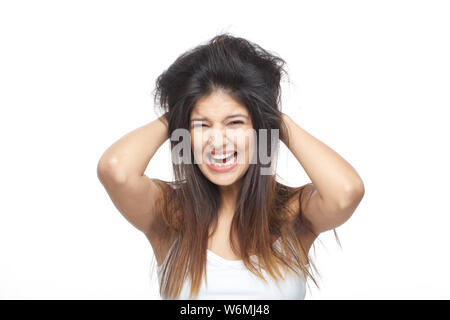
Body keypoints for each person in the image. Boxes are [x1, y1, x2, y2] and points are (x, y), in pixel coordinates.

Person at [97, 33, 365, 300]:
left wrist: (274, 119)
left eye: (234, 122)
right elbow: (115, 169)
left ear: (261, 130)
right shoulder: (169, 214)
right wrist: (179, 113)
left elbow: (346, 192)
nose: (217, 141)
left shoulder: (293, 215)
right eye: (202, 125)